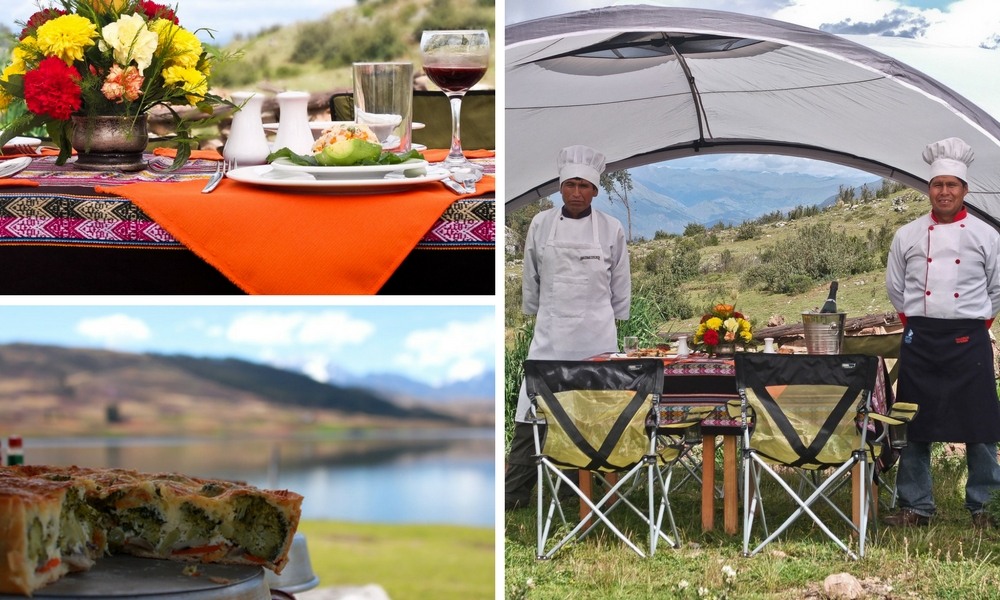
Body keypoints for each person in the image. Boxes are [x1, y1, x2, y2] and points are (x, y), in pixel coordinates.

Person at [505, 144, 632, 510]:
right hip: (551, 335)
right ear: (560, 188)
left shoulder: (611, 228)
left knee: (586, 415)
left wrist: (615, 326)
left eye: (584, 186)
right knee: (532, 413)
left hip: (596, 338)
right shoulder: (540, 224)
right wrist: (536, 313)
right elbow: (531, 277)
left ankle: (574, 491)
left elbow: (620, 286)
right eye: (570, 184)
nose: (576, 192)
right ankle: (515, 494)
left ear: (595, 191)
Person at [884, 136, 1000, 528]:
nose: (944, 191)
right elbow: (896, 290)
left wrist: (975, 322)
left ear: (965, 190)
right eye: (937, 184)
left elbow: (997, 289)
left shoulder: (987, 236)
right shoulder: (908, 235)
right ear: (928, 190)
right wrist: (919, 322)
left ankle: (986, 505)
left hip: (970, 341)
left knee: (980, 424)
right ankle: (916, 505)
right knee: (914, 423)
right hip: (921, 340)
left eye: (952, 184)